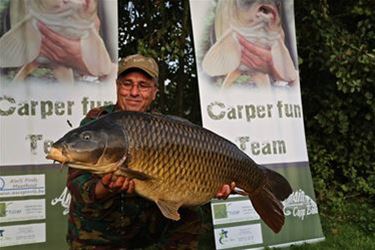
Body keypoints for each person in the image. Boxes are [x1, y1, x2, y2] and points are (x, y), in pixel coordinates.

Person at [67, 54, 235, 249]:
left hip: (144, 234)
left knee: (193, 214)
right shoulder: (98, 124)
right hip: (97, 234)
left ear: (155, 91)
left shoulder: (164, 129)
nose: (134, 92)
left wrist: (211, 185)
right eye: (127, 84)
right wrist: (106, 188)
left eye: (143, 85)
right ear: (117, 86)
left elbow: (186, 178)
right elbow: (77, 185)